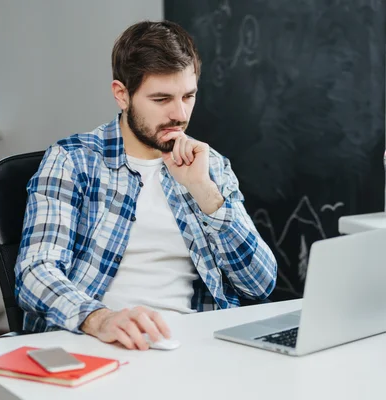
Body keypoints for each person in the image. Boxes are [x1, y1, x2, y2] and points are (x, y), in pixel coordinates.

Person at [14, 20, 277, 350]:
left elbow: (260, 284)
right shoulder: (73, 161)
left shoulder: (210, 165)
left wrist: (204, 190)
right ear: (122, 95)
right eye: (162, 99)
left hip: (195, 346)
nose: (179, 114)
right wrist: (100, 318)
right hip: (99, 341)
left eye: (188, 96)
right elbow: (35, 273)